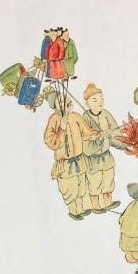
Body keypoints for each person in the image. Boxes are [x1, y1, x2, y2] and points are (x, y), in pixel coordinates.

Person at [43, 90, 100, 220]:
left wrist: (96, 134)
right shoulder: (54, 119)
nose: (66, 102)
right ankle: (73, 210)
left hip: (79, 159)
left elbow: (86, 132)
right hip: (65, 163)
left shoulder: (75, 117)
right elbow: (50, 141)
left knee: (81, 186)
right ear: (55, 107)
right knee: (70, 188)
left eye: (66, 99)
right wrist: (61, 129)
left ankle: (82, 208)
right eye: (61, 102)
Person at [81, 83, 123, 214]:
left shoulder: (106, 114)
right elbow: (85, 142)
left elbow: (116, 134)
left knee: (108, 180)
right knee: (94, 182)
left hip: (106, 156)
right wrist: (99, 137)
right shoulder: (85, 118)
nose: (99, 102)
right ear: (87, 103)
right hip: (92, 159)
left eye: (101, 99)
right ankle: (96, 206)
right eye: (95, 100)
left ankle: (108, 202)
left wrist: (124, 144)